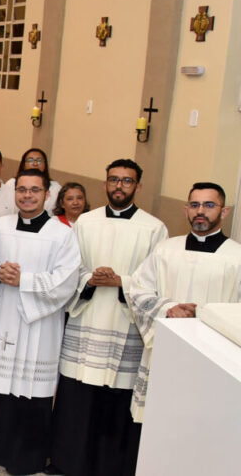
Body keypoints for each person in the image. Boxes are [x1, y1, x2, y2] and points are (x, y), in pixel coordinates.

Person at [48, 160, 167, 476]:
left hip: (125, 324)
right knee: (78, 396)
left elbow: (156, 281)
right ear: (105, 184)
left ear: (137, 186)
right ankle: (68, 462)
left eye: (127, 181)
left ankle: (109, 467)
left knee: (116, 398)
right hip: (86, 319)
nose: (119, 186)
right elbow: (69, 267)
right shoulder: (85, 223)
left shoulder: (154, 228)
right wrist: (89, 279)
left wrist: (121, 282)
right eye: (114, 180)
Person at [0, 168, 81, 475]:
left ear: (47, 194)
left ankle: (22, 458)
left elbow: (66, 281)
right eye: (22, 190)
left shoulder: (62, 235)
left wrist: (23, 280)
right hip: (1, 315)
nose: (27, 195)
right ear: (15, 193)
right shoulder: (1, 226)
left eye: (34, 190)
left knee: (28, 387)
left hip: (36, 323)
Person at [127, 182, 241, 423]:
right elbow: (137, 290)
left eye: (209, 205)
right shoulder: (166, 250)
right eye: (194, 205)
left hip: (213, 355)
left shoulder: (236, 257)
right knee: (159, 419)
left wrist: (208, 317)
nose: (200, 211)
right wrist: (169, 308)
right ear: (186, 209)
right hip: (166, 350)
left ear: (224, 211)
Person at [3, 148, 61, 213]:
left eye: (39, 160)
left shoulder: (55, 187)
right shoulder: (11, 183)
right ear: (23, 164)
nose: (35, 164)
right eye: (30, 160)